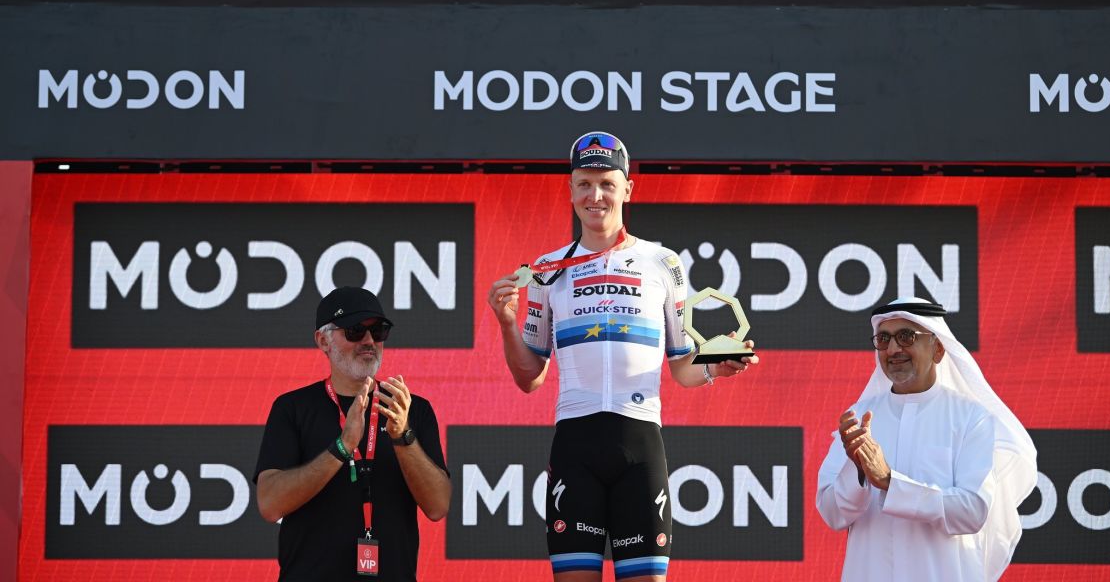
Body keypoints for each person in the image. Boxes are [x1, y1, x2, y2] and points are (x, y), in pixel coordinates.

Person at [487, 130, 759, 582]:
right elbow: (529, 376)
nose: (595, 196)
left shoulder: (663, 263)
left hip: (640, 446)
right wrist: (506, 324)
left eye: (607, 184)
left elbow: (681, 367)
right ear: (570, 189)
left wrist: (716, 365)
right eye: (584, 184)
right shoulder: (546, 270)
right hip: (575, 447)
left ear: (627, 189)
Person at [815, 297, 1037, 581]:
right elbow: (833, 514)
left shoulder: (971, 418)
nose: (893, 349)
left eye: (906, 336)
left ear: (938, 348)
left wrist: (890, 482)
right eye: (884, 339)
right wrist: (858, 472)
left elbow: (972, 511)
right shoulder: (858, 418)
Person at [254, 286, 451, 581]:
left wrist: (403, 436)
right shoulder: (292, 408)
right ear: (323, 340)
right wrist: (342, 447)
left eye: (378, 331)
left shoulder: (409, 408)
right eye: (355, 331)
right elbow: (270, 504)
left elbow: (438, 507)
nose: (369, 341)